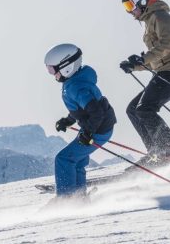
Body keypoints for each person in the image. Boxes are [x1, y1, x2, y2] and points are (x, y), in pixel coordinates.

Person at [119, 0, 170, 164]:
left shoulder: (161, 17)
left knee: (144, 109)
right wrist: (134, 66)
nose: (129, 12)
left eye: (130, 6)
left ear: (142, 1)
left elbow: (166, 46)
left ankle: (169, 152)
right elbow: (156, 57)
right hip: (165, 71)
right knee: (133, 110)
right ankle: (156, 151)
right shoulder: (150, 21)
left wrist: (142, 60)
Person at [44, 43, 117, 198]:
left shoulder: (76, 86)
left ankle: (67, 199)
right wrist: (68, 120)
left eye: (52, 69)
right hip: (98, 127)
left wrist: (88, 133)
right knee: (76, 161)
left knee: (63, 159)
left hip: (98, 129)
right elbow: (83, 110)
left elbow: (96, 112)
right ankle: (78, 197)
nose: (52, 74)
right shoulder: (74, 81)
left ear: (66, 66)